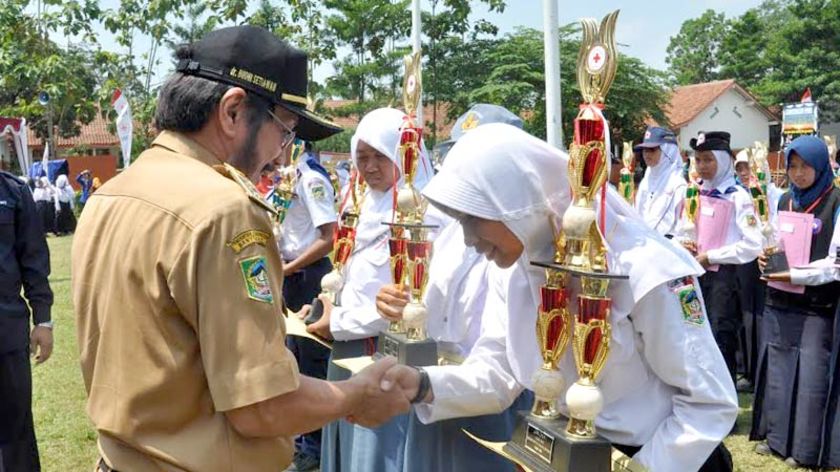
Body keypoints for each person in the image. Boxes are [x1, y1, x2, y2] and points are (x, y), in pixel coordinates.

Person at [71, 26, 410, 472]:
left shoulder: (112, 193)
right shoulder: (224, 209)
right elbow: (261, 407)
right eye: (285, 131)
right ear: (233, 112)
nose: (278, 155)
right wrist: (355, 394)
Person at [380, 124, 739, 471]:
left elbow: (708, 404)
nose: (469, 239)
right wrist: (422, 384)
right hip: (565, 451)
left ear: (515, 204)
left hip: (657, 457)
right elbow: (499, 372)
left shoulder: (645, 267)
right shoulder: (519, 265)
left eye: (474, 218)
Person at [375, 105, 533, 472]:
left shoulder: (523, 245)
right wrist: (402, 308)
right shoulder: (447, 235)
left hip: (494, 404)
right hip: (437, 393)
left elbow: (501, 363)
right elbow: (432, 311)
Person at [305, 107, 444, 472]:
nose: (368, 167)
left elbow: (411, 303)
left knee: (376, 453)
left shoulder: (427, 214)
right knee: (346, 445)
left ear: (405, 156)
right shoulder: (363, 206)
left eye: (379, 157)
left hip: (387, 359)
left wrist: (339, 322)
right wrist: (324, 307)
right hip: (346, 346)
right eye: (361, 157)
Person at [750, 136, 840, 469]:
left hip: (817, 305)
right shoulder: (786, 200)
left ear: (821, 167)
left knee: (812, 377)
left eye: (806, 166)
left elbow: (836, 265)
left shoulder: (836, 201)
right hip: (779, 300)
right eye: (793, 166)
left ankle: (805, 449)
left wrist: (795, 275)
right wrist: (765, 259)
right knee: (780, 370)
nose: (798, 173)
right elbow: (776, 243)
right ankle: (776, 440)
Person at [678, 132, 763, 385]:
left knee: (719, 337)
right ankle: (698, 395)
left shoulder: (738, 196)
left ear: (723, 161)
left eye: (708, 160)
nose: (702, 166)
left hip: (723, 280)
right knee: (693, 332)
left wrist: (712, 256)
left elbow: (752, 244)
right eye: (699, 160)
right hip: (693, 274)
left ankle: (724, 404)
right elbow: (684, 228)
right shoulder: (694, 193)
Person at [281, 140, 338, 472]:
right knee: (293, 358)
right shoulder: (289, 175)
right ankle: (301, 440)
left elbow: (328, 235)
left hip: (308, 275)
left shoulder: (311, 178)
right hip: (291, 272)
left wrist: (288, 268)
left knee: (311, 361)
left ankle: (314, 448)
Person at [0, 169, 54, 472]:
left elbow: (33, 258)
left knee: (15, 427)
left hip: (6, 329)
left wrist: (43, 321)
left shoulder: (13, 192)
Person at [633, 126, 686, 238]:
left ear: (668, 151)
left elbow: (682, 228)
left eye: (652, 149)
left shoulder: (678, 186)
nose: (646, 154)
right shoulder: (645, 181)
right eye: (644, 150)